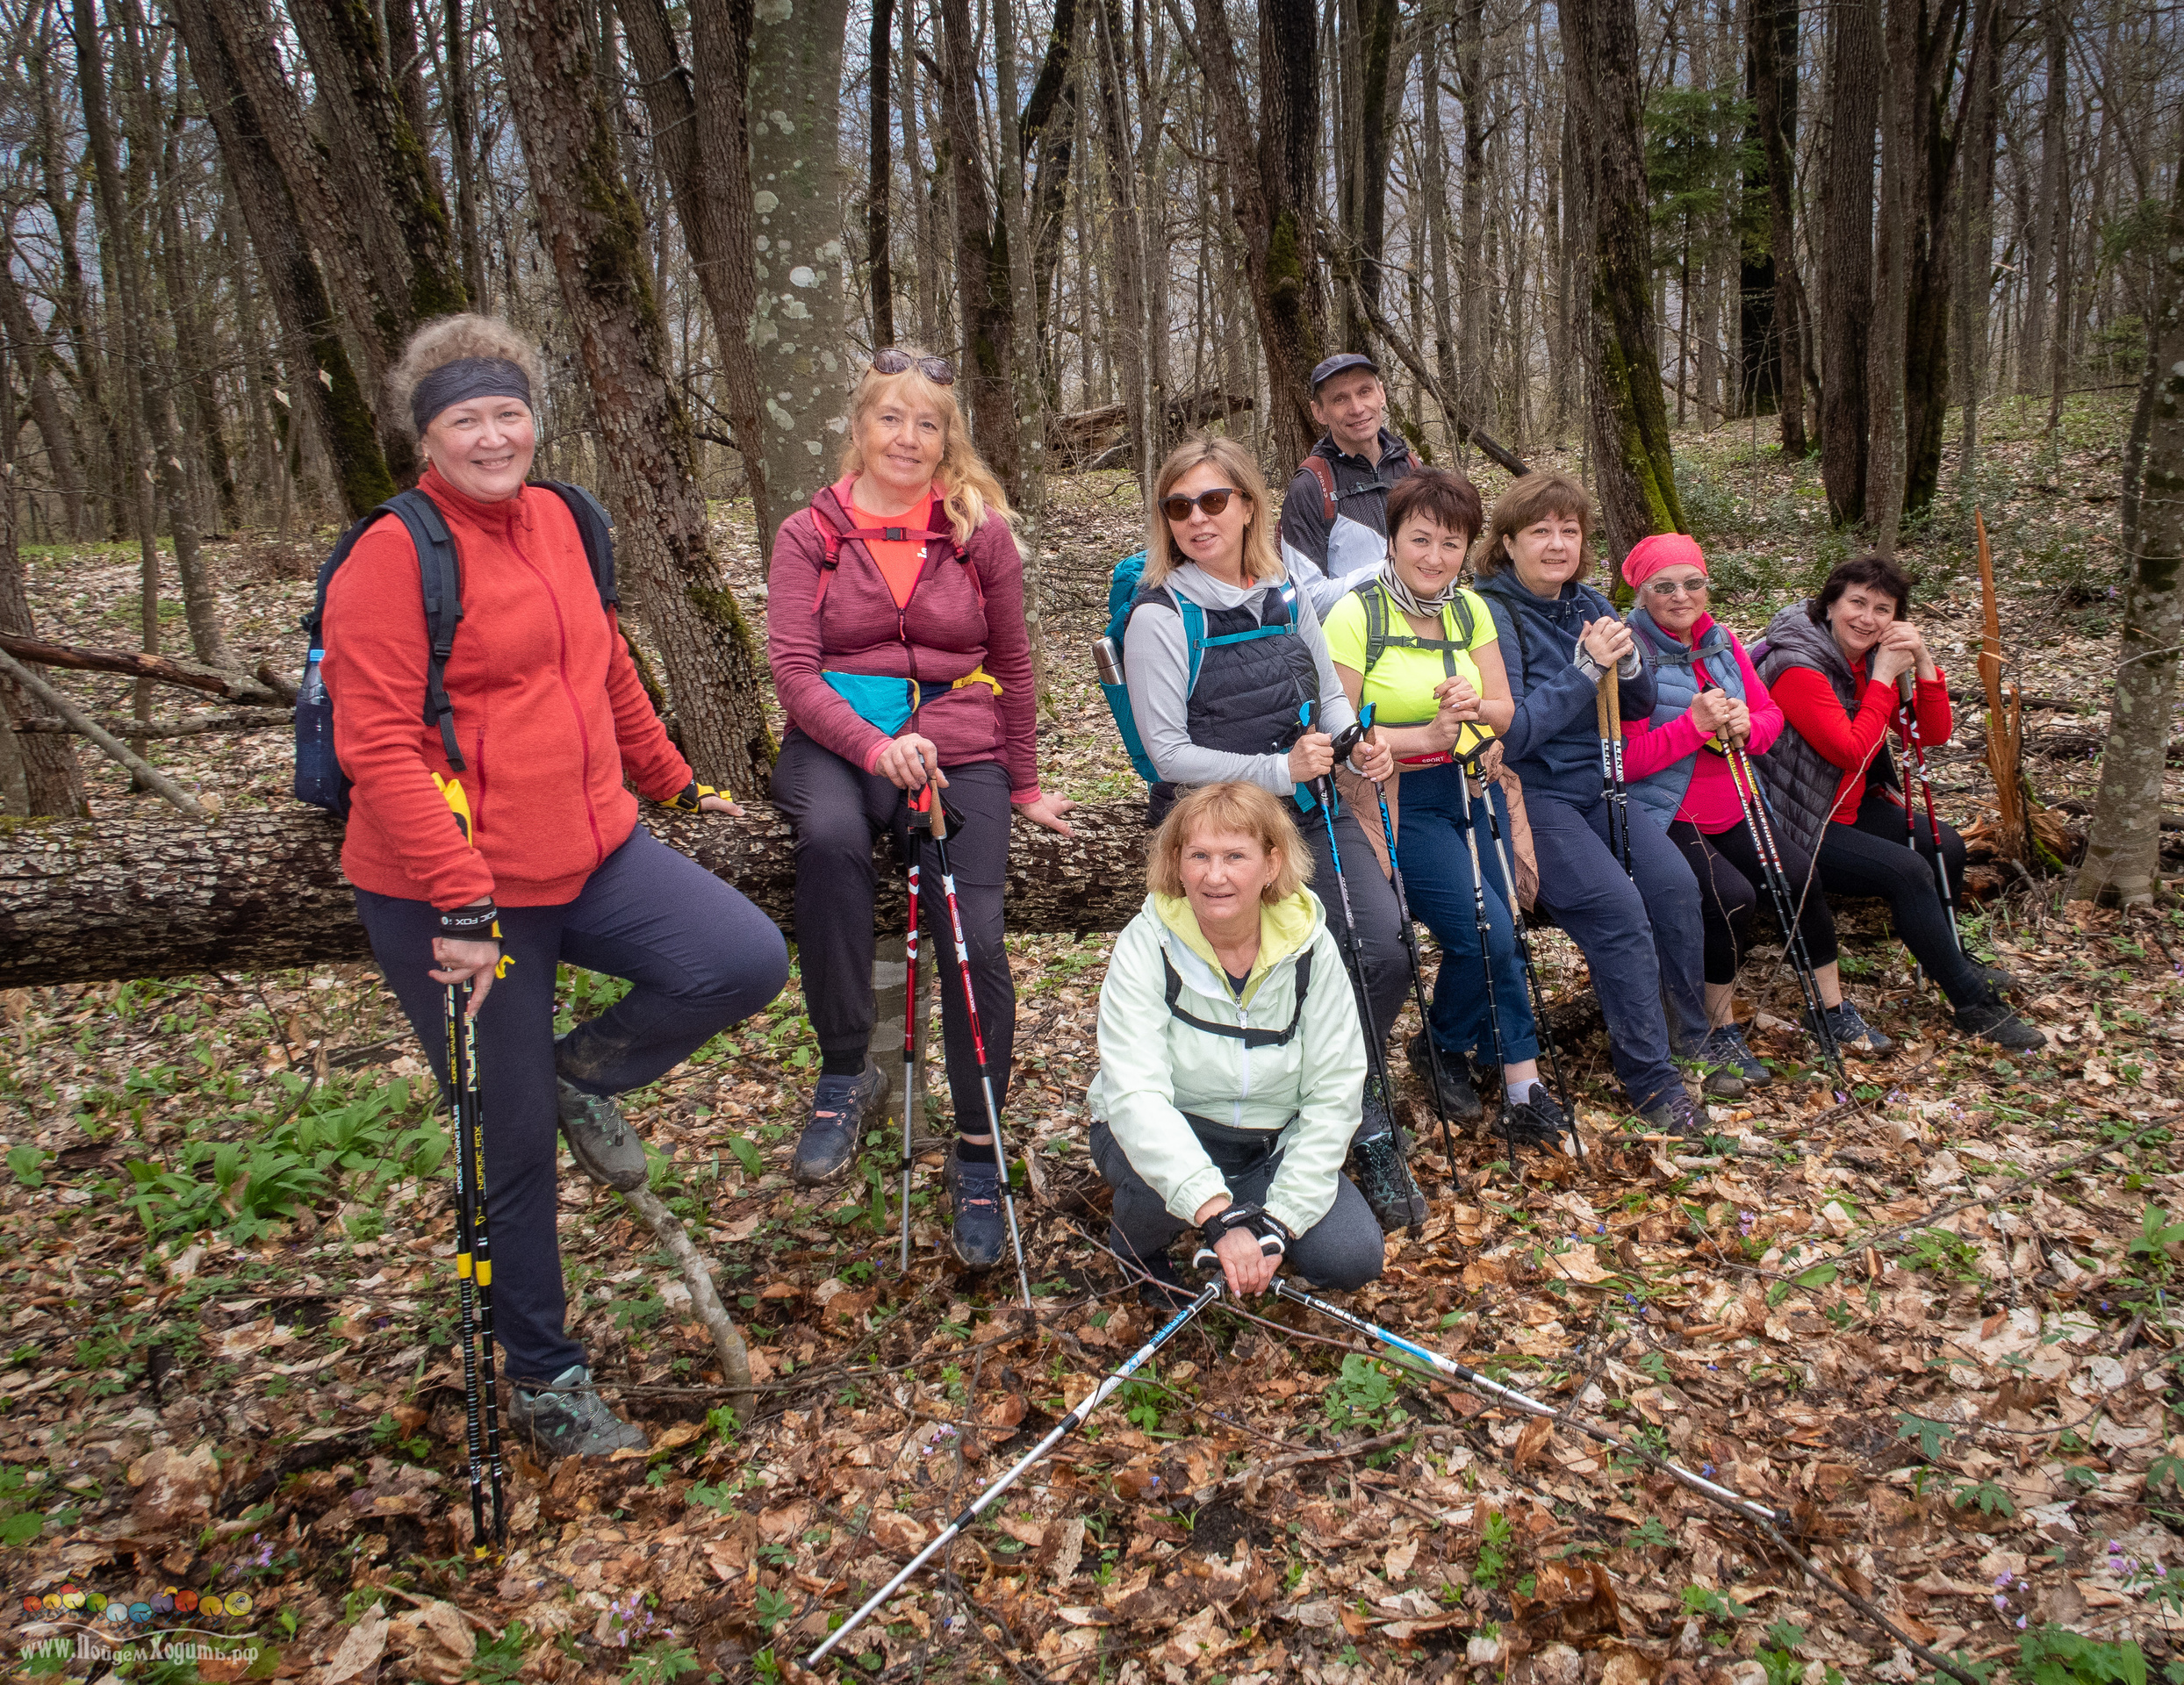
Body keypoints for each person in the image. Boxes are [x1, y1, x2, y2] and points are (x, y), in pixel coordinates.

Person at [324, 313, 791, 1460]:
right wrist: (460, 902)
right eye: (463, 419)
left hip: (594, 853)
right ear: (426, 436)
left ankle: (582, 1072)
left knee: (738, 961)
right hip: (462, 892)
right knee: (511, 1144)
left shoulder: (568, 518)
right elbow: (376, 745)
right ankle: (545, 1379)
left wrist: (674, 783)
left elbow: (605, 665)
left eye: (507, 411)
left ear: (534, 415)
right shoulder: (392, 554)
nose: (492, 435)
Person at [766, 348, 1078, 1269]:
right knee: (825, 841)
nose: (908, 438)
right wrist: (870, 747)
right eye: (890, 419)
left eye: (927, 423)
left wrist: (1019, 783)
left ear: (949, 440)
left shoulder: (976, 531)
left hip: (957, 747)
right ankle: (842, 1069)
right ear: (858, 429)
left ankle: (978, 1151)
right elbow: (789, 670)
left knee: (973, 939)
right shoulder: (807, 532)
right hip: (835, 744)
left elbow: (1016, 665)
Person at [1120, 433, 1424, 1230]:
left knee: (1385, 947)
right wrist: (1279, 773)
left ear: (1249, 504)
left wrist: (1357, 739)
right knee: (1265, 967)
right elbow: (1167, 753)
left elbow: (1326, 695)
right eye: (1178, 506)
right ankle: (1287, 1124)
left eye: (1213, 499)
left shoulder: (1288, 585)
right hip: (1216, 819)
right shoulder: (1161, 614)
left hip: (1309, 804)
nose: (1196, 518)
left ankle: (1351, 1106)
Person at [1322, 467, 1569, 1144]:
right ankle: (1444, 1049)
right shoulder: (1356, 614)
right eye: (1420, 539)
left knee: (1503, 932)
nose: (1435, 557)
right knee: (1482, 929)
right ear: (1393, 539)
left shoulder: (1470, 610)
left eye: (1451, 543)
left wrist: (1474, 716)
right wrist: (1420, 737)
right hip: (1400, 799)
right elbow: (1340, 731)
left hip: (1473, 786)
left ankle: (1515, 1081)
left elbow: (1503, 710)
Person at [1474, 474, 1721, 1133]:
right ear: (1508, 542)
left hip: (1600, 788)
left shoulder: (1586, 603)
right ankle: (1650, 1078)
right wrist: (1586, 668)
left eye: (1570, 531)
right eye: (1540, 531)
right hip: (1531, 797)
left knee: (1673, 887)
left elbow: (1636, 706)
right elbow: (1516, 730)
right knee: (1619, 911)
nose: (1557, 544)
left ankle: (1689, 1039)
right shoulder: (1491, 613)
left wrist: (1628, 663)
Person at [1088, 782, 1387, 1305]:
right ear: (1177, 864)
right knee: (1151, 1184)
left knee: (1352, 1257)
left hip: (1270, 1141)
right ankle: (1139, 1244)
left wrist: (1280, 1220)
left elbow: (1336, 1090)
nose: (1215, 875)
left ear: (1271, 864)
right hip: (1173, 1124)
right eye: (1198, 855)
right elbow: (1136, 1095)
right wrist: (1214, 1215)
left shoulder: (1312, 949)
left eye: (1235, 856)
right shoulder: (1145, 943)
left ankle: (1251, 1212)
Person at [1618, 534, 1889, 1085]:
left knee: (1798, 877)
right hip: (1664, 814)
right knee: (1731, 898)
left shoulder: (1722, 642)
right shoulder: (1625, 655)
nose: (1681, 596)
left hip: (1737, 800)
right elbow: (1622, 760)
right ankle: (1716, 1029)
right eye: (1663, 586)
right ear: (1641, 593)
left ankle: (1831, 1010)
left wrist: (1748, 725)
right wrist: (1689, 729)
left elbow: (1769, 721)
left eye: (1692, 583)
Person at [1754, 557, 2044, 1050]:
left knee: (1945, 845)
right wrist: (1885, 679)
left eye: (1882, 609)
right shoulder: (1795, 666)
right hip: (1796, 816)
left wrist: (1924, 663)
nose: (1867, 619)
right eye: (1857, 603)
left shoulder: (1868, 659)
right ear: (1829, 606)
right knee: (1907, 870)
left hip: (1847, 801)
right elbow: (1848, 748)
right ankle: (1971, 1000)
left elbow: (1930, 734)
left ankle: (1949, 957)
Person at [1278, 354, 1420, 616]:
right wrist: (1392, 571)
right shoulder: (1311, 486)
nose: (1356, 408)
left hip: (1423, 638)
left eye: (1364, 392)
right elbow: (1307, 601)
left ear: (1381, 395)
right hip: (1351, 648)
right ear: (1318, 411)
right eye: (1340, 399)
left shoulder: (1412, 468)